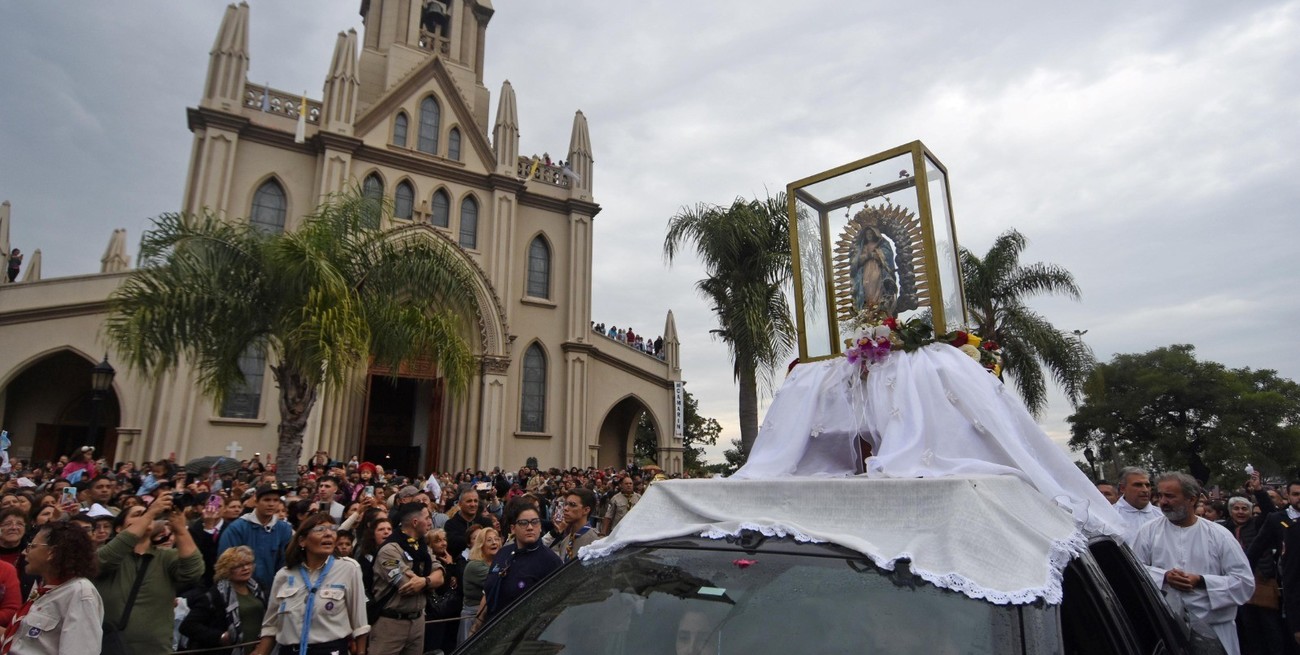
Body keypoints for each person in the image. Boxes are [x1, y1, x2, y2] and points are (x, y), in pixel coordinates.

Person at [1132, 472, 1254, 655]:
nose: (1163, 502)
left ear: (1192, 499)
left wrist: (1201, 581)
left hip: (1216, 631)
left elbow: (1244, 583)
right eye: (1160, 496)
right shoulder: (1148, 532)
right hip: (1168, 633)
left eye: (1170, 496)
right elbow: (1134, 572)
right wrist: (1164, 576)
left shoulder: (1219, 535)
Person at [94, 489, 205, 653]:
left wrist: (180, 529)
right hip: (109, 648)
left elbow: (193, 571)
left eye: (147, 515)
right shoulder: (109, 554)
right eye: (137, 514)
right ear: (118, 528)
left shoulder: (166, 557)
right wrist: (150, 512)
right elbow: (102, 560)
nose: (146, 517)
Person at [253, 514, 369, 655]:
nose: (328, 534)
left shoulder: (349, 569)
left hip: (330, 650)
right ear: (302, 541)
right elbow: (271, 626)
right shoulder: (284, 575)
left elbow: (360, 623)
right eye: (320, 529)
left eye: (332, 529)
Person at [1, 522, 103, 654]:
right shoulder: (48, 590)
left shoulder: (80, 593)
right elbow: (25, 643)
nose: (24, 552)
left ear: (52, 553)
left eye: (32, 546)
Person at [474, 501, 562, 632]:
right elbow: (488, 592)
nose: (530, 527)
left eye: (535, 522)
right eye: (523, 523)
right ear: (513, 528)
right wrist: (476, 627)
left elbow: (556, 608)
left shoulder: (551, 561)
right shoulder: (503, 552)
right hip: (491, 631)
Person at [369, 503, 442, 655]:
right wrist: (429, 580)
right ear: (415, 522)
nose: (430, 522)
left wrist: (424, 581)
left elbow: (440, 577)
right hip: (391, 624)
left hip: (417, 621)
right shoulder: (390, 549)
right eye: (427, 518)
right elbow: (407, 585)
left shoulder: (423, 547)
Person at [180, 545, 266, 655]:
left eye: (248, 563)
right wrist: (220, 637)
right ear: (226, 569)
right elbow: (188, 626)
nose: (245, 568)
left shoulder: (258, 589)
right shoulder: (215, 595)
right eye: (238, 566)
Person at [1247, 479, 1300, 650]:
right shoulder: (1278, 519)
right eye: (1296, 494)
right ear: (1288, 496)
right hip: (1293, 593)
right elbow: (1254, 551)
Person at [219, 485, 293, 590]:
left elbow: (286, 561)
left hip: (274, 589)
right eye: (266, 500)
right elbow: (225, 564)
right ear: (256, 501)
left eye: (276, 500)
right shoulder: (237, 528)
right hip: (242, 591)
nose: (271, 504)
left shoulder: (284, 529)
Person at [459, 527, 500, 643]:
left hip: (490, 615)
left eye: (496, 539)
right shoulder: (475, 566)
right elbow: (498, 582)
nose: (494, 542)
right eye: (489, 540)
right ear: (481, 544)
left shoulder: (497, 562)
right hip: (474, 617)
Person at [546, 487, 598, 562]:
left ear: (586, 510)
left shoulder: (596, 542)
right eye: (566, 504)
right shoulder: (565, 541)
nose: (565, 508)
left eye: (572, 505)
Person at [1114, 467, 1160, 543]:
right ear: (1122, 488)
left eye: (1147, 485)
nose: (1145, 490)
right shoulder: (1109, 516)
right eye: (1138, 485)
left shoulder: (1162, 515)